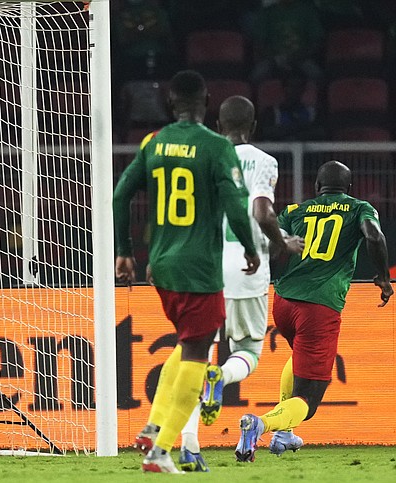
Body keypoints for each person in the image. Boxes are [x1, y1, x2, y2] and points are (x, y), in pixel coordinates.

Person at [113, 70, 261, 474]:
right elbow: (235, 204)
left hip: (160, 266)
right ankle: (160, 449)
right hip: (199, 269)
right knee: (199, 353)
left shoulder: (154, 143)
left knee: (185, 345)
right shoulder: (216, 147)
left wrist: (124, 251)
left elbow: (121, 194)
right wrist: (250, 247)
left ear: (169, 102)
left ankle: (152, 424)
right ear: (207, 102)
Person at [176, 96, 304, 472]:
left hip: (203, 272)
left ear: (218, 125)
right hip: (245, 270)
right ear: (255, 126)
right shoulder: (264, 161)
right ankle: (224, 376)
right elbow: (261, 211)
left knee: (194, 359)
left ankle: (189, 447)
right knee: (247, 349)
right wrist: (283, 243)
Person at [235, 160, 393, 462]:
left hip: (283, 301)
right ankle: (261, 425)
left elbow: (271, 242)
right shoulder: (358, 208)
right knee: (309, 398)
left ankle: (284, 434)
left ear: (317, 188)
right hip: (319, 306)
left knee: (299, 356)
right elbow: (374, 236)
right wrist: (383, 278)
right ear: (348, 188)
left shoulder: (296, 211)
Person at [250, 0, 324, 83]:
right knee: (257, 75)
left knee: (316, 75)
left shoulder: (307, 11)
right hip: (273, 58)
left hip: (301, 57)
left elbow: (316, 41)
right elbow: (258, 43)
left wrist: (301, 55)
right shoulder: (267, 12)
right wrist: (274, 58)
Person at [259, 74, 324, 141]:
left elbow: (320, 132)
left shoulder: (313, 112)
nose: (294, 90)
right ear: (284, 88)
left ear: (303, 89)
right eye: (291, 86)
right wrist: (300, 128)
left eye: (298, 87)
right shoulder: (271, 112)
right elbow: (266, 132)